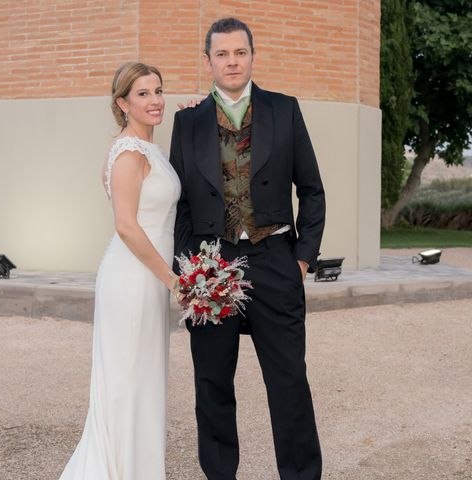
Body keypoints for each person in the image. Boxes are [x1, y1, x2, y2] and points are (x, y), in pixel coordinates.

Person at [170, 17, 326, 480]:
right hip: (212, 265)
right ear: (208, 61)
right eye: (222, 54)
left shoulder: (285, 109)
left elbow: (312, 190)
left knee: (289, 383)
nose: (232, 62)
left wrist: (301, 260)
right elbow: (180, 202)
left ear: (252, 56)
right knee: (212, 383)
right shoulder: (187, 121)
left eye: (239, 53)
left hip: (275, 259)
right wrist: (190, 266)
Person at [59, 62, 180, 480]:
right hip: (133, 279)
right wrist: (171, 279)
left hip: (148, 277)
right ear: (122, 103)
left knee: (142, 382)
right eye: (143, 94)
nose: (155, 101)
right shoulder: (129, 153)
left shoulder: (146, 147)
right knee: (129, 382)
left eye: (158, 91)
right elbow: (127, 225)